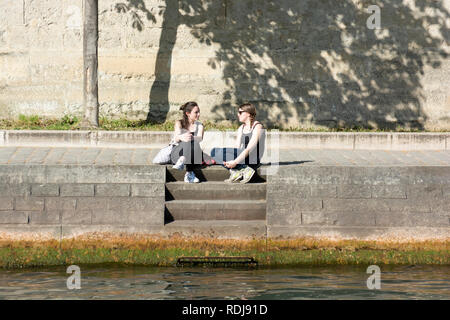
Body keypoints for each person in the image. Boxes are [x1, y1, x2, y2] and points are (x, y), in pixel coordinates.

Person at [212, 103, 265, 183]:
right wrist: (227, 158)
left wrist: (235, 162)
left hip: (253, 158)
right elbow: (237, 147)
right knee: (214, 151)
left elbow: (249, 149)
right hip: (243, 156)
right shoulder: (241, 128)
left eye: (240, 112)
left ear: (248, 114)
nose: (238, 114)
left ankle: (245, 169)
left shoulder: (257, 126)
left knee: (222, 152)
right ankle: (236, 171)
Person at [171, 101, 214, 183]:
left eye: (199, 112)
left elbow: (200, 138)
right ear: (188, 113)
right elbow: (176, 139)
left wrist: (190, 137)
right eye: (196, 112)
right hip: (178, 154)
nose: (199, 114)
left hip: (193, 154)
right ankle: (189, 173)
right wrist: (181, 137)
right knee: (187, 140)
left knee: (192, 141)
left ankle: (185, 164)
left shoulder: (200, 125)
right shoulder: (179, 123)